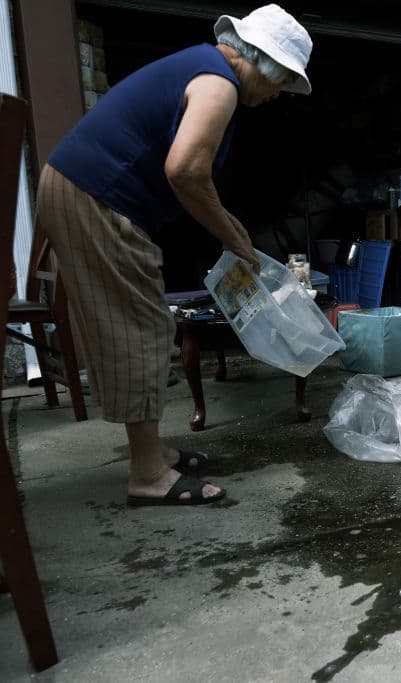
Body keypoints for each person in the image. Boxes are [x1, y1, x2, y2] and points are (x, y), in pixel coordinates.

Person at [35, 4, 313, 506]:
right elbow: (185, 169)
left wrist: (230, 226)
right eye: (283, 83)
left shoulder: (202, 67)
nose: (276, 97)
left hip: (80, 189)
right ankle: (147, 474)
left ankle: (153, 451)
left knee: (136, 321)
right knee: (139, 324)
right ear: (267, 63)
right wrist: (229, 234)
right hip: (94, 194)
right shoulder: (220, 83)